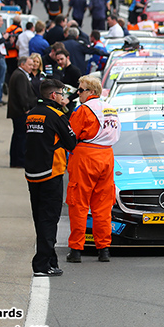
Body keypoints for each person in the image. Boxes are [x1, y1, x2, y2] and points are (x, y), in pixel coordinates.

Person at [66, 76, 121, 264]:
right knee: (103, 206)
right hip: (107, 156)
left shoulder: (83, 110)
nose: (78, 93)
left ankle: (76, 249)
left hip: (85, 156)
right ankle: (104, 249)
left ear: (91, 91)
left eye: (80, 90)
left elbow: (71, 134)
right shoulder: (110, 108)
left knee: (78, 203)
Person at [25, 78, 76, 277]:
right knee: (49, 219)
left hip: (32, 172)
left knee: (40, 218)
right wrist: (66, 112)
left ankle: (50, 259)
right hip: (51, 173)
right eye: (62, 94)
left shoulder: (32, 114)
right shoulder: (56, 115)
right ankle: (41, 264)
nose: (65, 97)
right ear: (53, 96)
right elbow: (71, 142)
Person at [7, 56, 38, 168]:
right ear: (22, 64)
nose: (32, 67)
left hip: (17, 111)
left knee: (17, 136)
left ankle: (15, 160)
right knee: (21, 137)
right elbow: (22, 94)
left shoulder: (19, 74)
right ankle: (19, 160)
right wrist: (26, 109)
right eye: (29, 65)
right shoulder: (20, 75)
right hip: (20, 112)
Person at [4, 14, 24, 82]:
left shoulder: (8, 29)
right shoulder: (19, 30)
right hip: (14, 53)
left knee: (8, 71)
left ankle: (7, 83)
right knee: (14, 71)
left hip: (7, 54)